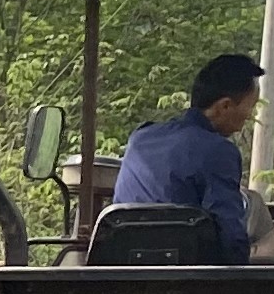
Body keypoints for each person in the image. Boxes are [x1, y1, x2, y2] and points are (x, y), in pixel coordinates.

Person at [107, 53, 263, 263]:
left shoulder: (140, 138)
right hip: (188, 280)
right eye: (250, 106)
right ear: (225, 106)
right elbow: (230, 234)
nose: (250, 115)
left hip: (121, 269)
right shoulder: (218, 151)